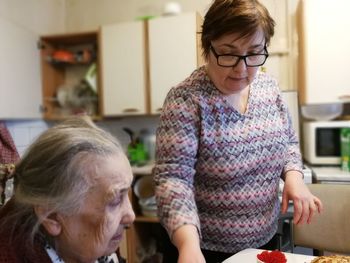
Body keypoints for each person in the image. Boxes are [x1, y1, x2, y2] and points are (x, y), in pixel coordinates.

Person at [153, 0, 323, 262]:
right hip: (203, 248)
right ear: (207, 47)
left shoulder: (269, 88)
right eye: (228, 53)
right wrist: (188, 245)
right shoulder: (186, 99)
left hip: (263, 238)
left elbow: (288, 141)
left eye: (254, 53)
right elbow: (173, 180)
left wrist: (294, 176)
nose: (242, 69)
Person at [0, 116, 135, 263]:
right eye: (115, 200)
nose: (130, 216)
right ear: (51, 217)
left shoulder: (94, 241)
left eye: (126, 193)